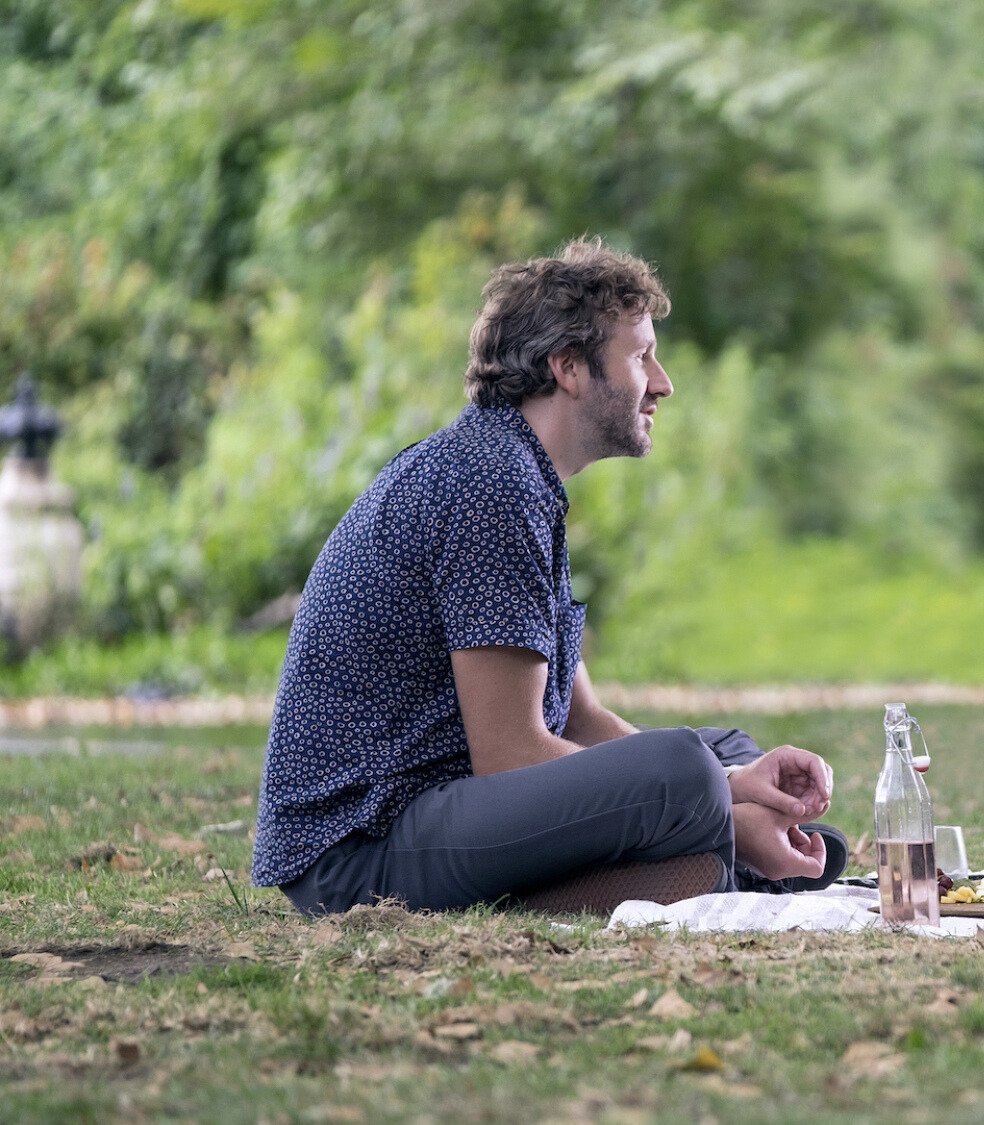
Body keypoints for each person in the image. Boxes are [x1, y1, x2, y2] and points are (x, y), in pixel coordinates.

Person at [251, 238, 845, 916]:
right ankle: (728, 853)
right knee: (683, 771)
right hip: (361, 851)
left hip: (439, 818)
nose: (662, 381)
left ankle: (711, 863)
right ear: (568, 367)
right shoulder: (490, 482)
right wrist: (717, 798)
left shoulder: (518, 472)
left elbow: (580, 716)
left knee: (721, 754)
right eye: (640, 355)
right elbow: (510, 753)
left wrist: (737, 778)